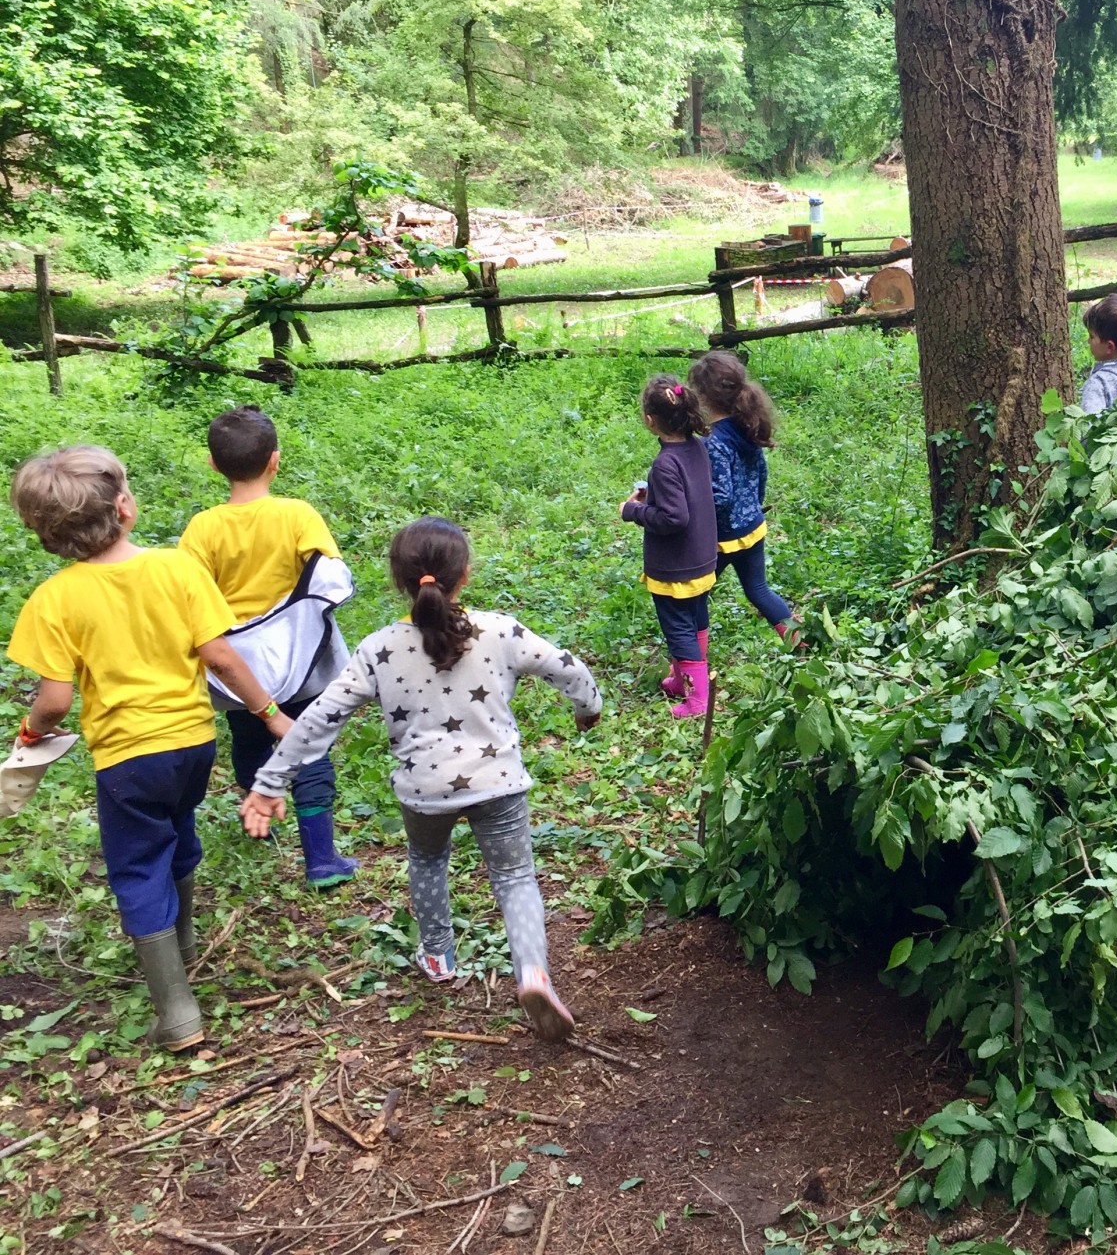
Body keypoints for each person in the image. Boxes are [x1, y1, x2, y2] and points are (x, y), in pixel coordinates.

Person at [239, 517, 601, 1041]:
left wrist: (272, 780)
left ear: (399, 580)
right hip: (497, 783)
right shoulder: (501, 631)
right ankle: (532, 973)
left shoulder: (378, 648)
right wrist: (587, 708)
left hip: (423, 792)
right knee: (515, 877)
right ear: (466, 575)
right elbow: (567, 667)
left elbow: (320, 717)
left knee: (428, 860)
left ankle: (437, 955)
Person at [7, 446, 291, 1051]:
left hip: (126, 757)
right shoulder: (179, 570)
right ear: (125, 508)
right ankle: (182, 947)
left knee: (136, 865)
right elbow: (219, 656)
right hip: (193, 745)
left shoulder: (54, 601)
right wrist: (269, 714)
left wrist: (30, 734)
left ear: (45, 535)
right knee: (179, 830)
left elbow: (54, 701)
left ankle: (177, 1009)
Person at [181, 405, 357, 887]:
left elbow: (187, 592)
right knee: (309, 745)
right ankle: (321, 858)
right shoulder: (297, 514)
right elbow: (328, 572)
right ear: (275, 461)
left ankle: (259, 811)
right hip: (301, 659)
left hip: (239, 665)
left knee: (249, 733)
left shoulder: (202, 528)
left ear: (214, 465)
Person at [619, 376, 717, 719]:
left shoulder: (664, 464)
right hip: (702, 558)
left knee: (678, 629)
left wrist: (633, 511)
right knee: (696, 619)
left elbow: (675, 518)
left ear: (650, 420)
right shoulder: (696, 449)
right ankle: (682, 679)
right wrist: (655, 497)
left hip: (675, 568)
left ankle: (697, 700)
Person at [687, 352, 799, 649]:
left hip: (723, 539)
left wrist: (691, 511)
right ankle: (803, 642)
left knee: (695, 597)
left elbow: (720, 497)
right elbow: (761, 473)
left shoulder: (713, 442)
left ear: (702, 397)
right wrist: (752, 506)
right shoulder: (747, 426)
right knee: (759, 590)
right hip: (753, 527)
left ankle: (692, 664)